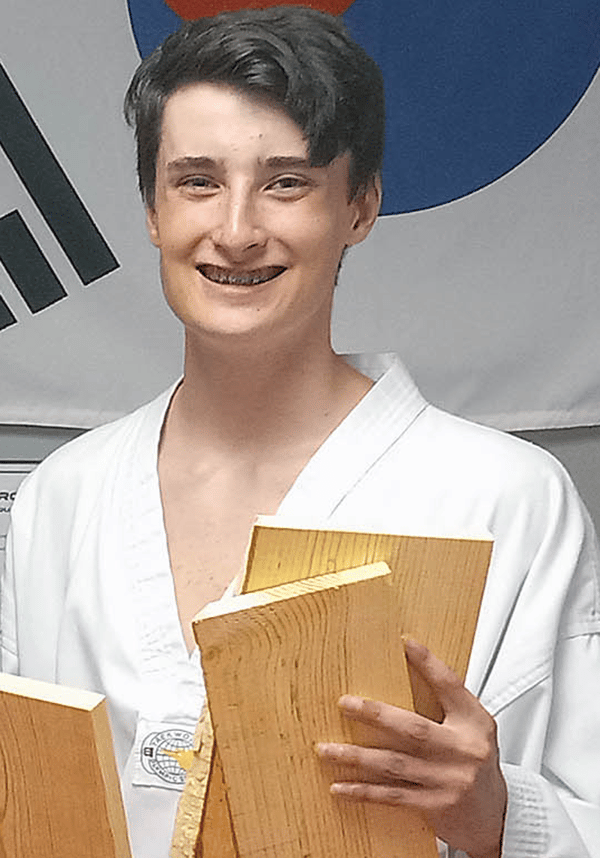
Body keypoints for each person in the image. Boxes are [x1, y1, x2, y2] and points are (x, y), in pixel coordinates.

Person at [2, 6, 599, 858]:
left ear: (360, 206)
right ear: (150, 208)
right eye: (197, 181)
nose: (238, 230)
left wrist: (496, 813)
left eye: (287, 182)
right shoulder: (65, 495)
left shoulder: (506, 498)